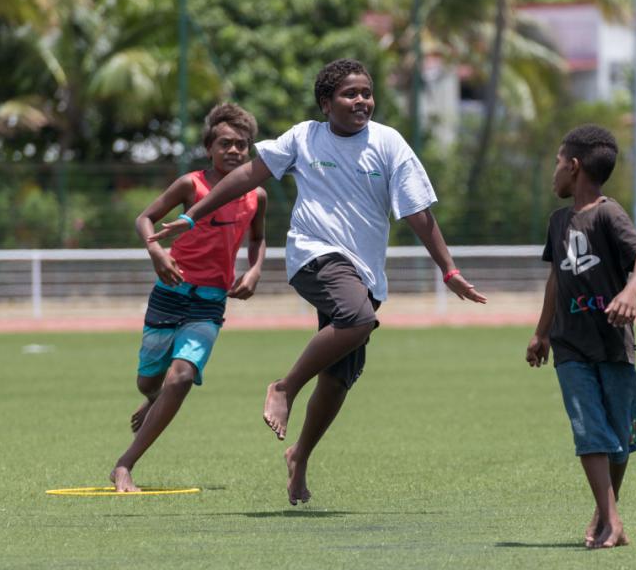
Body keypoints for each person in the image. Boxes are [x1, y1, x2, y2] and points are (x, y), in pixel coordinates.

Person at [149, 58, 487, 505]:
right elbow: (246, 176)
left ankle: (300, 456)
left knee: (339, 378)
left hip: (365, 271)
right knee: (357, 318)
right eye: (350, 94)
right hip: (314, 255)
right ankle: (284, 386)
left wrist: (450, 270)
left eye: (366, 92)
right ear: (326, 103)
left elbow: (418, 215)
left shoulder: (390, 144)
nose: (361, 100)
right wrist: (193, 215)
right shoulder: (304, 136)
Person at [111, 103, 268, 493]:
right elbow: (144, 218)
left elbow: (258, 237)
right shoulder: (190, 185)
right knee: (148, 381)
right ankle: (154, 399)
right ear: (209, 147)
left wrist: (254, 269)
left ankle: (124, 464)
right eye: (226, 143)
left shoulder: (256, 195)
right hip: (169, 293)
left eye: (242, 145)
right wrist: (157, 252)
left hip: (210, 302)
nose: (234, 151)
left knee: (180, 377)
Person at [525, 124, 636, 549]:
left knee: (618, 436)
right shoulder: (558, 221)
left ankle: (604, 512)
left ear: (575, 166)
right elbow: (555, 280)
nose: (555, 173)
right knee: (589, 429)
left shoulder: (608, 213)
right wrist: (541, 332)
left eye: (559, 163)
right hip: (570, 345)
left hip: (613, 345)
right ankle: (613, 519)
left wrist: (630, 292)